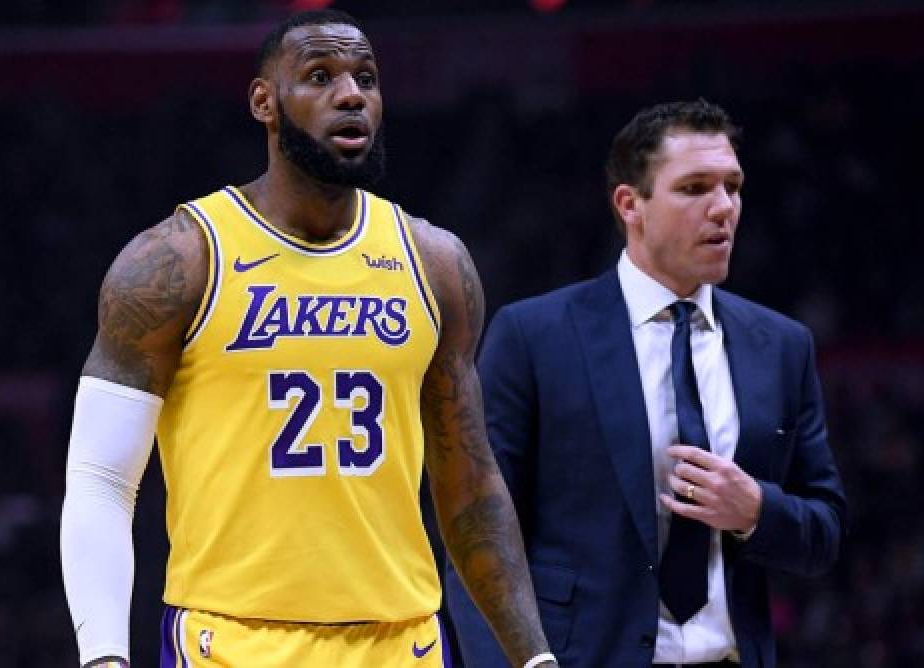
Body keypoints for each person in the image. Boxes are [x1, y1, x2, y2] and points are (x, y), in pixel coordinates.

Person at [59, 10, 556, 668]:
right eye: (320, 77)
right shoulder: (178, 261)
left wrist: (535, 657)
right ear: (264, 102)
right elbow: (101, 479)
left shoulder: (435, 264)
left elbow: (468, 484)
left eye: (367, 79)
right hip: (234, 641)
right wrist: (102, 656)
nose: (351, 95)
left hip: (402, 641)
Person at [445, 100, 847, 667]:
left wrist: (756, 509)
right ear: (630, 204)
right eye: (695, 188)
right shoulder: (534, 336)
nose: (723, 208)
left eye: (733, 186)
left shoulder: (780, 346)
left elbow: (826, 528)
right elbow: (476, 533)